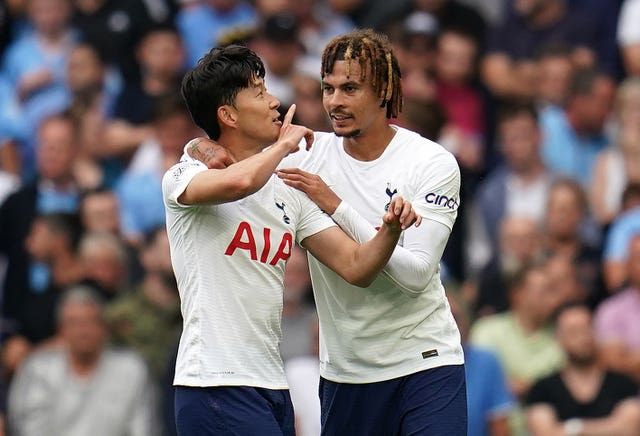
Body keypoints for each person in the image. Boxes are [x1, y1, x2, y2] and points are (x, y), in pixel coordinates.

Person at [164, 44, 420, 435]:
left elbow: (357, 267)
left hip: (271, 386)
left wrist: (390, 229)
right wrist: (283, 145)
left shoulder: (288, 192)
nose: (274, 102)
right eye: (259, 93)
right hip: (213, 382)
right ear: (228, 115)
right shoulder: (184, 176)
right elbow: (240, 181)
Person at [274, 29, 467, 434]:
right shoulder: (307, 155)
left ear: (383, 90)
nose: (335, 102)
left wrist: (336, 205)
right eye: (328, 89)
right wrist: (199, 150)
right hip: (347, 372)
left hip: (425, 361)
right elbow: (225, 155)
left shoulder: (431, 162)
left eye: (350, 88)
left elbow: (415, 276)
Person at [7, 284, 158, 436]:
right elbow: (27, 428)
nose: (83, 331)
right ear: (61, 329)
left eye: (91, 321)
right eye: (74, 323)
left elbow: (143, 428)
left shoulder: (132, 370)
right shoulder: (38, 370)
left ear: (104, 327)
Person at [525, 304, 640, 436]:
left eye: (587, 328)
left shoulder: (623, 383)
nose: (583, 337)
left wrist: (573, 427)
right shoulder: (543, 388)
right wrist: (609, 426)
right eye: (573, 332)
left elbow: (629, 429)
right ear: (557, 338)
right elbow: (544, 433)